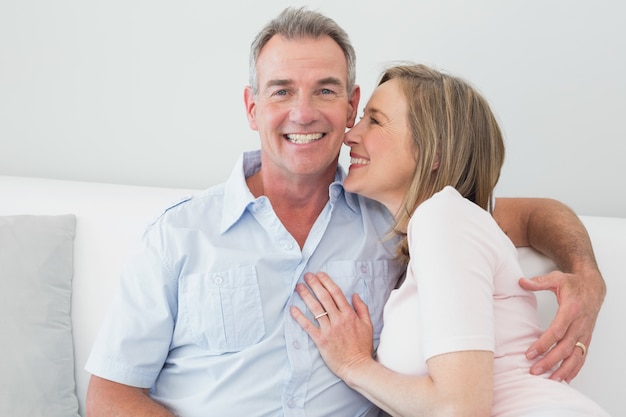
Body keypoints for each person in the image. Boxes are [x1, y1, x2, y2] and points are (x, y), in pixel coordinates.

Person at [85, 7, 605, 417]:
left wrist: (586, 274)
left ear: (351, 105)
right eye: (281, 91)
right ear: (252, 108)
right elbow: (108, 396)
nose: (303, 112)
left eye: (325, 91)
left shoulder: (406, 214)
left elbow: (536, 214)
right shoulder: (180, 234)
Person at [291, 63, 610, 416]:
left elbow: (459, 408)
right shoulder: (443, 225)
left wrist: (353, 363)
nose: (350, 134)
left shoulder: (442, 217)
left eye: (375, 120)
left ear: (435, 150)